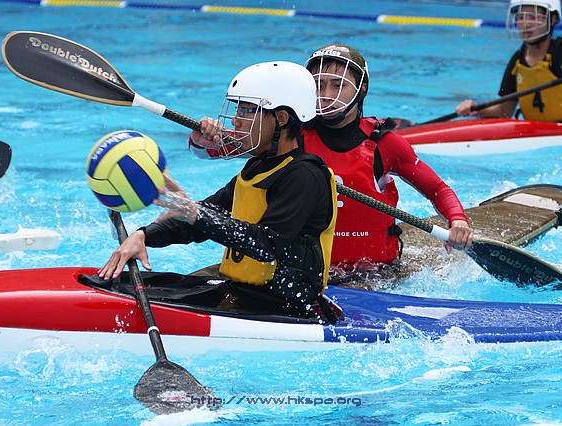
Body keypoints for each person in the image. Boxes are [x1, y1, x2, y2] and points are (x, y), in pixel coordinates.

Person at [189, 44, 474, 285]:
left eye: (338, 85)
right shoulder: (289, 134)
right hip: (306, 273)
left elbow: (437, 189)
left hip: (374, 276)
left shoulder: (384, 143)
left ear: (360, 89)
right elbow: (214, 150)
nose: (326, 93)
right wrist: (203, 138)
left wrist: (458, 220)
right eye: (319, 84)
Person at [99, 61, 337, 313]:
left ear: (281, 118)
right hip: (246, 292)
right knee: (142, 284)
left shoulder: (304, 176)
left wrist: (197, 214)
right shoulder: (257, 167)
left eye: (246, 111)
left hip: (284, 305)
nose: (235, 120)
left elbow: (266, 244)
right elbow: (204, 217)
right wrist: (144, 235)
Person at [456, 0, 562, 123]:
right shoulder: (517, 61)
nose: (525, 24)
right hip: (541, 133)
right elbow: (505, 111)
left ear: (552, 20)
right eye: (520, 17)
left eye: (533, 17)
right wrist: (476, 109)